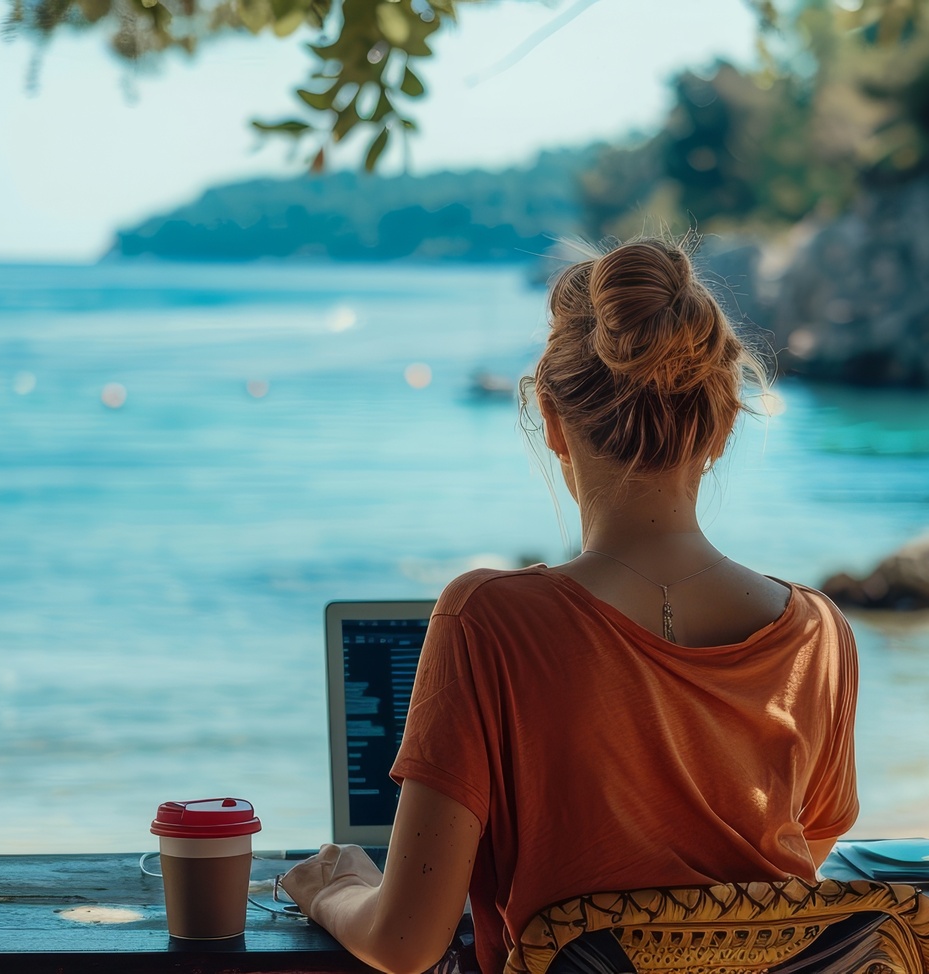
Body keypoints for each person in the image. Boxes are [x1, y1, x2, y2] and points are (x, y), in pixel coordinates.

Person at [282, 237, 861, 974]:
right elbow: (775, 891)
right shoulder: (818, 635)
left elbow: (406, 942)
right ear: (722, 426)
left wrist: (337, 887)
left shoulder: (486, 618)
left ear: (552, 420)